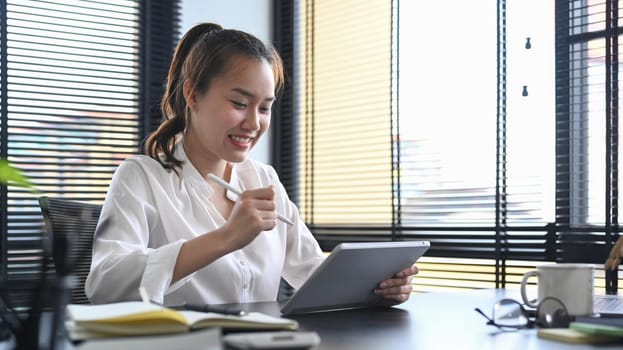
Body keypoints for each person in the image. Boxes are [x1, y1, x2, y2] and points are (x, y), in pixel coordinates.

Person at [85, 22, 418, 306]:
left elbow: (310, 269)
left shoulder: (263, 178)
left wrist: (378, 287)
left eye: (264, 108)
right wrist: (226, 238)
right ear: (193, 95)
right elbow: (105, 284)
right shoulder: (142, 178)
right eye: (240, 103)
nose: (254, 123)